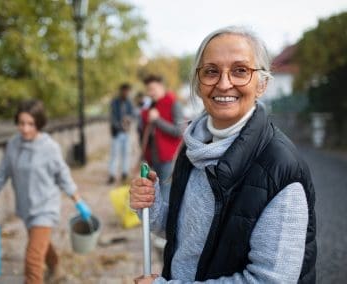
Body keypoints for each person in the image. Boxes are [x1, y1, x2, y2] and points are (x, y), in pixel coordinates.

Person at [130, 26, 316, 283]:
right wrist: (152, 205)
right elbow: (184, 232)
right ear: (198, 83)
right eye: (211, 71)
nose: (224, 83)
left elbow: (269, 280)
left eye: (240, 71)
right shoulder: (194, 146)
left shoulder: (280, 169)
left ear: (262, 84)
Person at [0, 99, 91, 284]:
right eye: (21, 123)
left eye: (31, 124)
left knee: (33, 260)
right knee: (41, 245)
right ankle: (56, 268)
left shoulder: (49, 147)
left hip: (45, 208)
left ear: (39, 123)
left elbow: (63, 176)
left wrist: (78, 200)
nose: (25, 129)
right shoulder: (13, 145)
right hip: (27, 209)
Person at [140, 75, 183, 204]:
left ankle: (165, 223)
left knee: (165, 192)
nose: (150, 93)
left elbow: (179, 131)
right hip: (153, 156)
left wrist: (157, 120)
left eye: (152, 89)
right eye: (148, 89)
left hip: (168, 158)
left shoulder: (174, 103)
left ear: (161, 86)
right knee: (156, 189)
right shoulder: (152, 105)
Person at [107, 83, 135, 184]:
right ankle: (112, 174)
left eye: (127, 91)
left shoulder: (129, 103)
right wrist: (120, 126)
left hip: (126, 133)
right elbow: (112, 117)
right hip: (117, 133)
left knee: (126, 153)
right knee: (114, 154)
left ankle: (124, 173)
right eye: (124, 91)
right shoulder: (115, 102)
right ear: (121, 91)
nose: (126, 93)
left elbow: (133, 114)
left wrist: (129, 119)